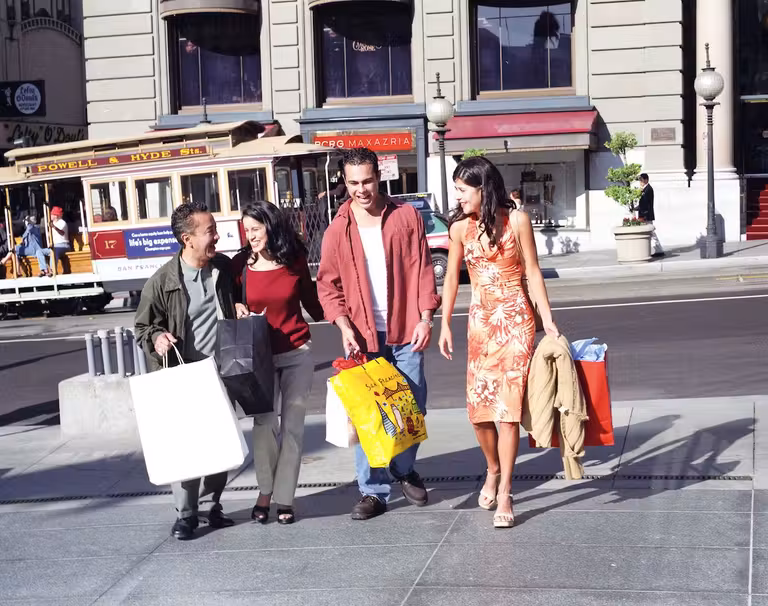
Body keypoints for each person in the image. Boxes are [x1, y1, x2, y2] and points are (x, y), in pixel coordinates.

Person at [317, 147, 441, 521]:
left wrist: (425, 317)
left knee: (411, 408)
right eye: (353, 182)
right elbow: (328, 285)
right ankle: (373, 490)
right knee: (367, 416)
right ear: (344, 181)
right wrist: (343, 326)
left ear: (380, 176)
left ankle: (403, 469)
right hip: (364, 337)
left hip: (405, 329)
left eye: (367, 181)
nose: (361, 189)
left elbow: (422, 270)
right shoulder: (338, 228)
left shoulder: (405, 217)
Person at [438, 156, 559, 528]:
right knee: (479, 412)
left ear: (481, 188)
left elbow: (534, 272)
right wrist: (443, 323)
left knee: (507, 412)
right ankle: (492, 467)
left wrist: (549, 320)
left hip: (516, 321)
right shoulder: (460, 228)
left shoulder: (518, 220)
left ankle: (506, 489)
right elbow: (453, 280)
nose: (457, 197)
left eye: (462, 190)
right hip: (480, 322)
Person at [134, 201, 243, 541]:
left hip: (221, 373)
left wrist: (238, 306)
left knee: (220, 445)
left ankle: (212, 506)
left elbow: (236, 298)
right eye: (210, 231)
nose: (217, 236)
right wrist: (158, 337)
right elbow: (141, 328)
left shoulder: (222, 269)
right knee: (186, 448)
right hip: (183, 379)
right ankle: (186, 515)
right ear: (187, 239)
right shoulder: (162, 281)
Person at [231, 201, 324, 525]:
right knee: (263, 427)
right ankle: (265, 492)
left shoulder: (294, 259)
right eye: (247, 230)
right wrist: (237, 306)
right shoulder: (241, 264)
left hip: (297, 353)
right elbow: (228, 300)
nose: (250, 235)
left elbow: (314, 303)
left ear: (271, 226)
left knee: (293, 429)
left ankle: (284, 498)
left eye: (255, 229)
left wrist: (347, 314)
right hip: (259, 359)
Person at [637, 173, 663, 256]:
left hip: (646, 214)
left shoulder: (648, 189)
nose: (640, 182)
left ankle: (659, 250)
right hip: (644, 214)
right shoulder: (644, 189)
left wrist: (639, 209)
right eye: (640, 180)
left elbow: (645, 203)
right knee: (650, 232)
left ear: (646, 180)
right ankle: (656, 249)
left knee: (651, 232)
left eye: (641, 180)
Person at [50, 207, 71, 274]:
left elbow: (62, 233)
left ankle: (52, 270)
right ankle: (44, 270)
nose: (50, 216)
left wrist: (54, 227)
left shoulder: (62, 222)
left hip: (63, 245)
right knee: (41, 252)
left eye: (52, 214)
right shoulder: (52, 223)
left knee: (54, 251)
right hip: (54, 245)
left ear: (56, 216)